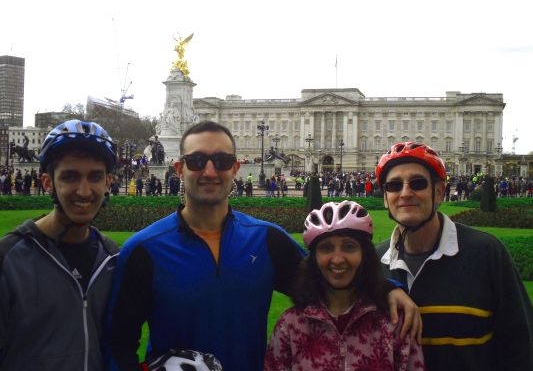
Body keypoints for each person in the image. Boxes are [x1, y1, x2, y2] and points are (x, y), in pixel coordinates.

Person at [106, 121, 421, 371]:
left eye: (223, 160)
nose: (210, 171)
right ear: (179, 169)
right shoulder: (144, 249)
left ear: (235, 169)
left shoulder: (266, 239)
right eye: (197, 161)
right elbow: (118, 343)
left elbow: (329, 278)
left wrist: (388, 289)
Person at [375, 141, 533, 371]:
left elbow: (521, 349)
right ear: (385, 197)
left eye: (418, 183)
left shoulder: (487, 252)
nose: (405, 193)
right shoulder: (372, 262)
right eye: (394, 185)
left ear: (439, 192)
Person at [0, 119, 119, 370]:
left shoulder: (115, 259)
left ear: (108, 182)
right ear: (47, 182)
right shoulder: (7, 259)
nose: (84, 191)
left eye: (95, 177)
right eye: (70, 177)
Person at [265, 200, 425, 370]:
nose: (338, 259)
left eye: (349, 247)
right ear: (314, 259)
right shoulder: (290, 326)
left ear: (365, 255)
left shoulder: (393, 322)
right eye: (326, 248)